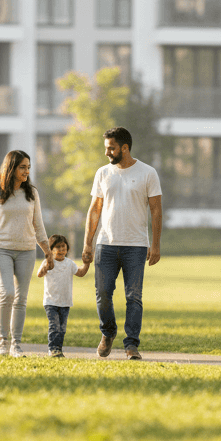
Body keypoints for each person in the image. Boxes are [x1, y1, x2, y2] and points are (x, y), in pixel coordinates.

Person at [81, 127, 162, 360]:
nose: (107, 152)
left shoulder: (148, 173)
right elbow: (94, 210)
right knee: (103, 294)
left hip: (136, 246)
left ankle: (131, 344)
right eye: (106, 147)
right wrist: (88, 243)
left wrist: (155, 245)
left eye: (111, 148)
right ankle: (108, 333)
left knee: (134, 297)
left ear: (124, 148)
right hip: (105, 244)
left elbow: (156, 211)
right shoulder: (103, 173)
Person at [0, 150, 54, 357]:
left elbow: (38, 225)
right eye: (23, 167)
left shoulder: (32, 193)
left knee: (21, 298)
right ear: (11, 168)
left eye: (28, 167)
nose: (27, 171)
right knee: (7, 293)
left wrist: (47, 251)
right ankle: (2, 342)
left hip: (27, 251)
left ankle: (16, 345)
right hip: (0, 248)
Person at [36, 234, 91, 358]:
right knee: (54, 326)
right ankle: (52, 349)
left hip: (65, 302)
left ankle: (58, 349)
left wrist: (86, 264)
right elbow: (39, 274)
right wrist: (45, 267)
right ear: (51, 250)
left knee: (62, 328)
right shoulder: (48, 262)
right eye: (58, 247)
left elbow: (81, 273)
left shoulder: (69, 263)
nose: (61, 250)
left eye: (63, 247)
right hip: (51, 302)